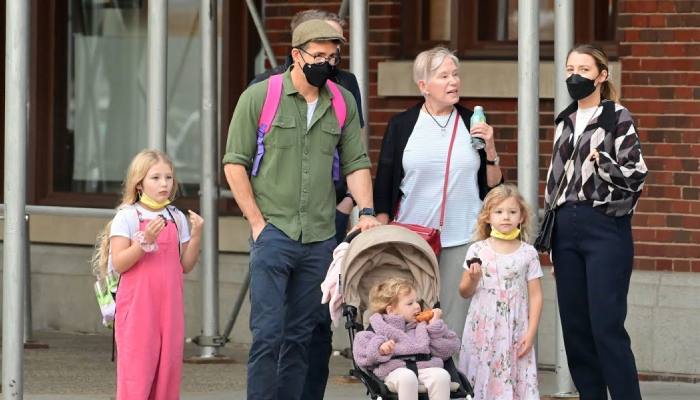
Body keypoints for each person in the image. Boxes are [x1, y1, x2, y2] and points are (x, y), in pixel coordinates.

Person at [222, 19, 380, 400]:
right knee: (268, 334)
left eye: (333, 56)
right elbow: (234, 163)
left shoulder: (341, 102)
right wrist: (257, 223)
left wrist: (367, 211)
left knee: (301, 336)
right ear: (296, 55)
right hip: (273, 232)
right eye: (318, 55)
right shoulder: (260, 97)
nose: (326, 63)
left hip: (320, 237)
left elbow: (356, 162)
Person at [373, 46, 503, 336]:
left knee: (455, 324)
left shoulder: (472, 122)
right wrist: (381, 235)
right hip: (413, 238)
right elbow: (384, 184)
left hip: (464, 236)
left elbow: (493, 185)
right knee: (412, 317)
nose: (453, 81)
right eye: (443, 76)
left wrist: (491, 149)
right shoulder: (401, 125)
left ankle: (453, 367)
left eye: (455, 74)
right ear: (424, 86)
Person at [544, 44, 647, 400]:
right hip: (565, 229)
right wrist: (552, 239)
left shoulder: (617, 117)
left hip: (605, 226)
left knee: (606, 326)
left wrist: (603, 163)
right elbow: (554, 182)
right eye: (570, 69)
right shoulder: (564, 121)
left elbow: (636, 176)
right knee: (576, 329)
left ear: (602, 75)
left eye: (584, 70)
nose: (575, 76)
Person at [91, 149, 203, 400]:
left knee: (168, 374)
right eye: (156, 178)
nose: (164, 184)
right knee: (137, 375)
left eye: (168, 177)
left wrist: (196, 236)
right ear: (139, 183)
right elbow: (119, 263)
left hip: (170, 309)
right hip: (138, 309)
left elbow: (185, 265)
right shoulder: (127, 216)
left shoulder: (176, 217)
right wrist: (145, 242)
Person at [457, 184, 543, 400]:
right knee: (481, 374)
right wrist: (473, 278)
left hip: (516, 327)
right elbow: (464, 292)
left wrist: (531, 333)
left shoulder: (528, 253)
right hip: (482, 327)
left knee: (514, 374)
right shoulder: (477, 250)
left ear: (521, 217)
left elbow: (536, 295)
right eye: (499, 212)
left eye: (512, 212)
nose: (506, 217)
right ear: (487, 216)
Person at [353, 277, 461, 400]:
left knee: (442, 376)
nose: (417, 306)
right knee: (407, 378)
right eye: (410, 303)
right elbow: (361, 353)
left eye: (417, 301)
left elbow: (448, 349)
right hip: (394, 371)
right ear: (391, 310)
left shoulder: (423, 326)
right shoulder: (378, 328)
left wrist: (434, 326)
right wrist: (380, 349)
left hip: (424, 367)